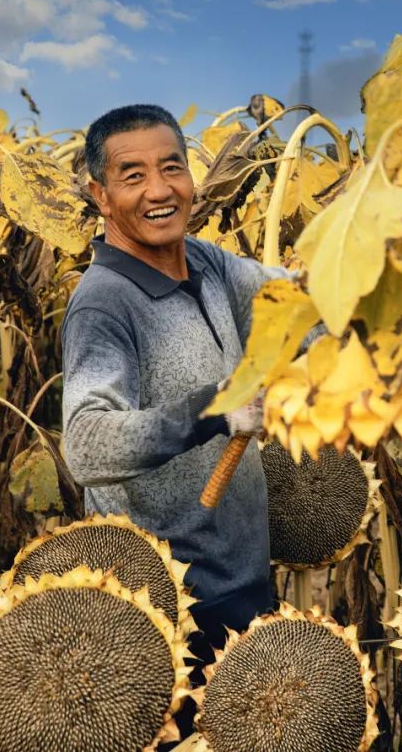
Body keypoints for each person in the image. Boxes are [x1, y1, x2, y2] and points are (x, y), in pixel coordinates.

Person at [60, 104, 281, 661]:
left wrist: (382, 266)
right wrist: (216, 410)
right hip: (163, 611)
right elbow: (87, 443)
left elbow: (291, 303)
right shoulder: (103, 303)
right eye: (133, 176)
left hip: (242, 580)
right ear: (100, 195)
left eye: (172, 168)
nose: (160, 190)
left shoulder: (207, 263)